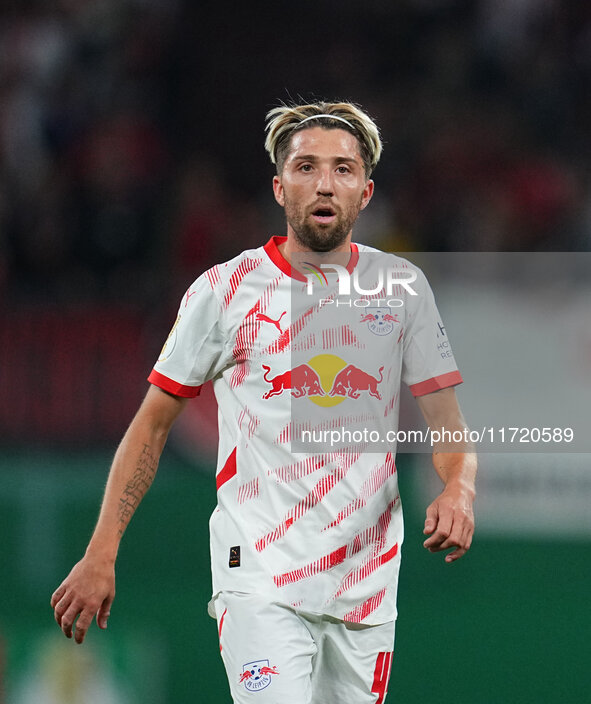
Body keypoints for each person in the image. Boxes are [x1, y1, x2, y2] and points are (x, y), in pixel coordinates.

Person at [51, 101, 476, 704]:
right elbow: (151, 425)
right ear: (279, 187)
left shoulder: (404, 290)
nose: (324, 183)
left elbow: (449, 428)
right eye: (305, 167)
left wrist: (458, 489)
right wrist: (102, 550)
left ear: (367, 190)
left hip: (367, 588)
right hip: (259, 577)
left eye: (343, 169)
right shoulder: (225, 291)